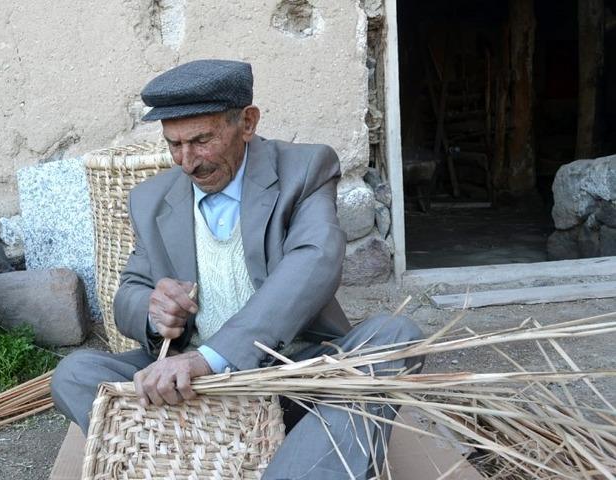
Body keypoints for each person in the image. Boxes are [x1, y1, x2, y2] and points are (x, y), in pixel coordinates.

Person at [52, 59, 424, 479]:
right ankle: (195, 455)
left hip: (293, 376)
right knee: (77, 373)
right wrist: (152, 312)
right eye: (174, 144)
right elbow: (131, 289)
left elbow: (314, 261)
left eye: (201, 140)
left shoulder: (304, 169)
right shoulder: (151, 199)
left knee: (396, 338)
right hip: (192, 394)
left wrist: (211, 358)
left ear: (247, 123)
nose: (187, 162)